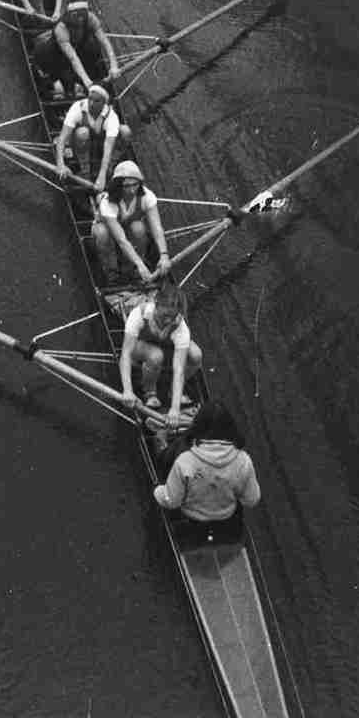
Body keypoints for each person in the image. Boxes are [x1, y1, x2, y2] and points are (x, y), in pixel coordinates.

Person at [153, 401, 261, 542]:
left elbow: (170, 501)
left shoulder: (185, 460)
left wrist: (157, 490)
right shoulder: (244, 461)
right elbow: (252, 500)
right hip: (227, 524)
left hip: (190, 523)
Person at [119, 279, 203, 422]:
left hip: (165, 346)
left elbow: (179, 370)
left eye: (173, 316)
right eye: (164, 316)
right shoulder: (139, 314)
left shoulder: (180, 326)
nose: (168, 321)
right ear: (156, 304)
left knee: (196, 355)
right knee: (156, 356)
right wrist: (128, 391)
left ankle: (173, 391)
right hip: (140, 347)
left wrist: (175, 409)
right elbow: (125, 354)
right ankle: (150, 392)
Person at [91, 160, 172, 286]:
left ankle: (133, 271)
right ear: (118, 185)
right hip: (110, 233)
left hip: (128, 231)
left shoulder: (147, 196)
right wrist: (140, 263)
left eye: (135, 185)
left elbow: (157, 228)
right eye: (127, 186)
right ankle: (112, 274)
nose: (132, 190)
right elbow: (121, 240)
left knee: (139, 228)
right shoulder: (108, 202)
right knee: (102, 233)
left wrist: (164, 254)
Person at [32, 0, 119, 98]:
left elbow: (105, 42)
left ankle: (78, 82)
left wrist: (114, 65)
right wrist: (87, 81)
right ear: (69, 14)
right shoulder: (61, 29)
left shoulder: (90, 18)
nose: (80, 18)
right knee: (63, 83)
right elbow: (73, 58)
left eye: (82, 13)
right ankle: (56, 84)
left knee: (93, 48)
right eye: (75, 14)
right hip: (54, 57)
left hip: (76, 50)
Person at [55, 83, 130, 191]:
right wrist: (60, 164)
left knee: (125, 131)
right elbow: (62, 138)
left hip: (100, 146)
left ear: (104, 103)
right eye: (90, 98)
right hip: (79, 143)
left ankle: (109, 169)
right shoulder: (78, 108)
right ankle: (85, 171)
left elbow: (108, 147)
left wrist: (102, 175)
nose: (91, 103)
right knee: (82, 132)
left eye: (96, 101)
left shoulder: (111, 117)